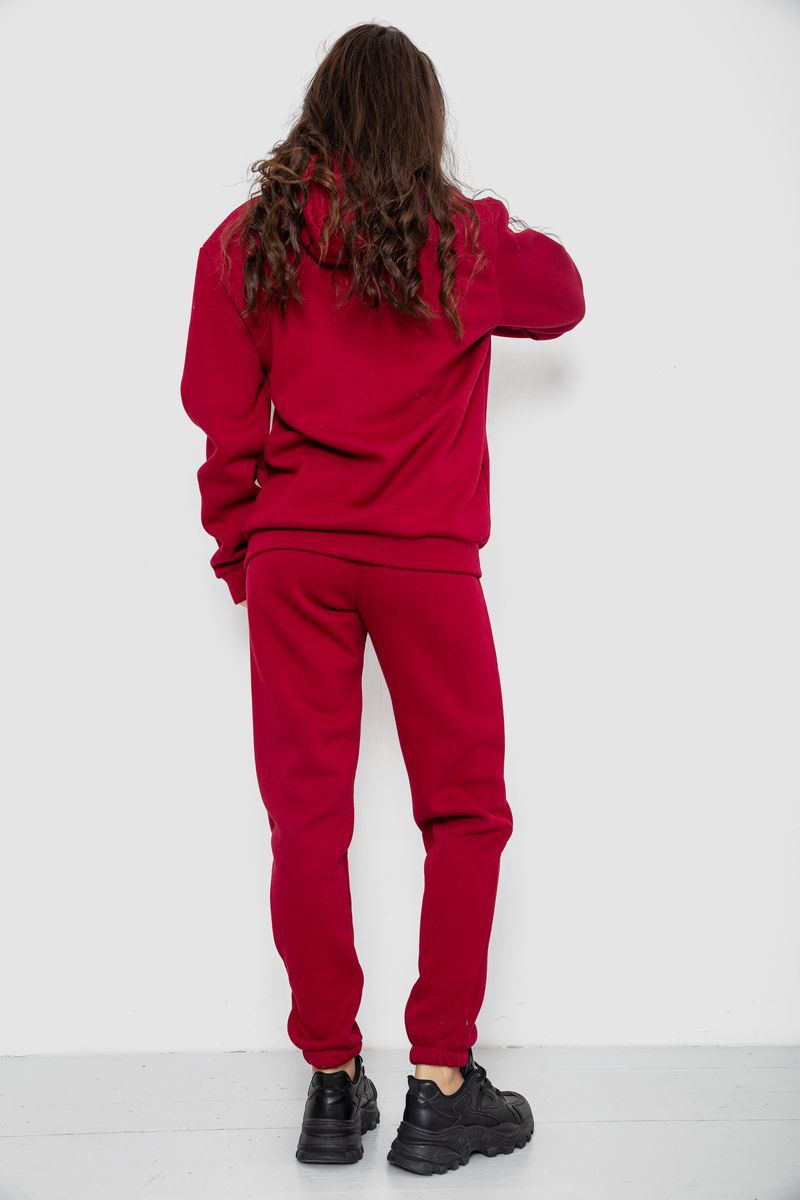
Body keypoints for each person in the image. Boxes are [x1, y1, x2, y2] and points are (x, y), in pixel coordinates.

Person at [180, 20, 586, 1176]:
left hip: (296, 556)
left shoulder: (245, 243)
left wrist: (241, 552)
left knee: (306, 816)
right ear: (421, 125)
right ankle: (438, 1085)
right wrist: (474, 217)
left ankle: (329, 1084)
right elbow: (561, 293)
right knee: (462, 812)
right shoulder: (459, 243)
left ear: (318, 115)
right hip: (420, 559)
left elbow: (220, 415)